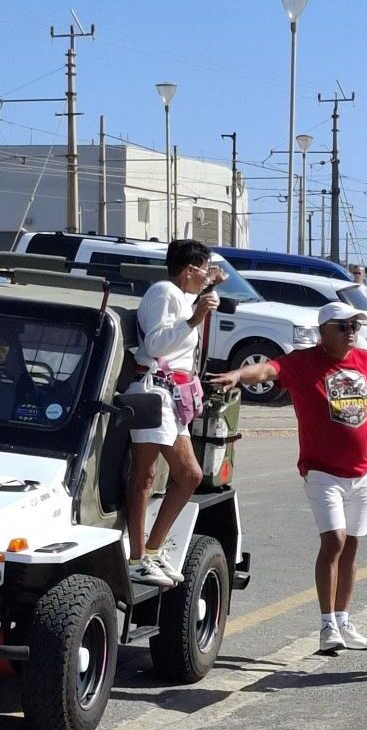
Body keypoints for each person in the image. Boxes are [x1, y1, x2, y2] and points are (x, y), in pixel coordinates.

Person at [211, 301, 367, 652]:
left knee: (352, 546)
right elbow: (267, 370)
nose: (351, 333)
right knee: (335, 541)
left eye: (355, 327)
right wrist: (237, 375)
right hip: (322, 471)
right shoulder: (304, 362)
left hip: (362, 472)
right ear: (324, 330)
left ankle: (343, 620)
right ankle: (327, 625)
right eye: (343, 327)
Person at [126, 239, 222, 588]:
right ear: (188, 269)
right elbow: (155, 344)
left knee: (185, 475)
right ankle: (138, 556)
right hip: (154, 391)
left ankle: (150, 550)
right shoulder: (164, 293)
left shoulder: (181, 296)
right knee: (147, 475)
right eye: (203, 268)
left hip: (172, 397)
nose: (206, 274)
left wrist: (205, 296)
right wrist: (196, 317)